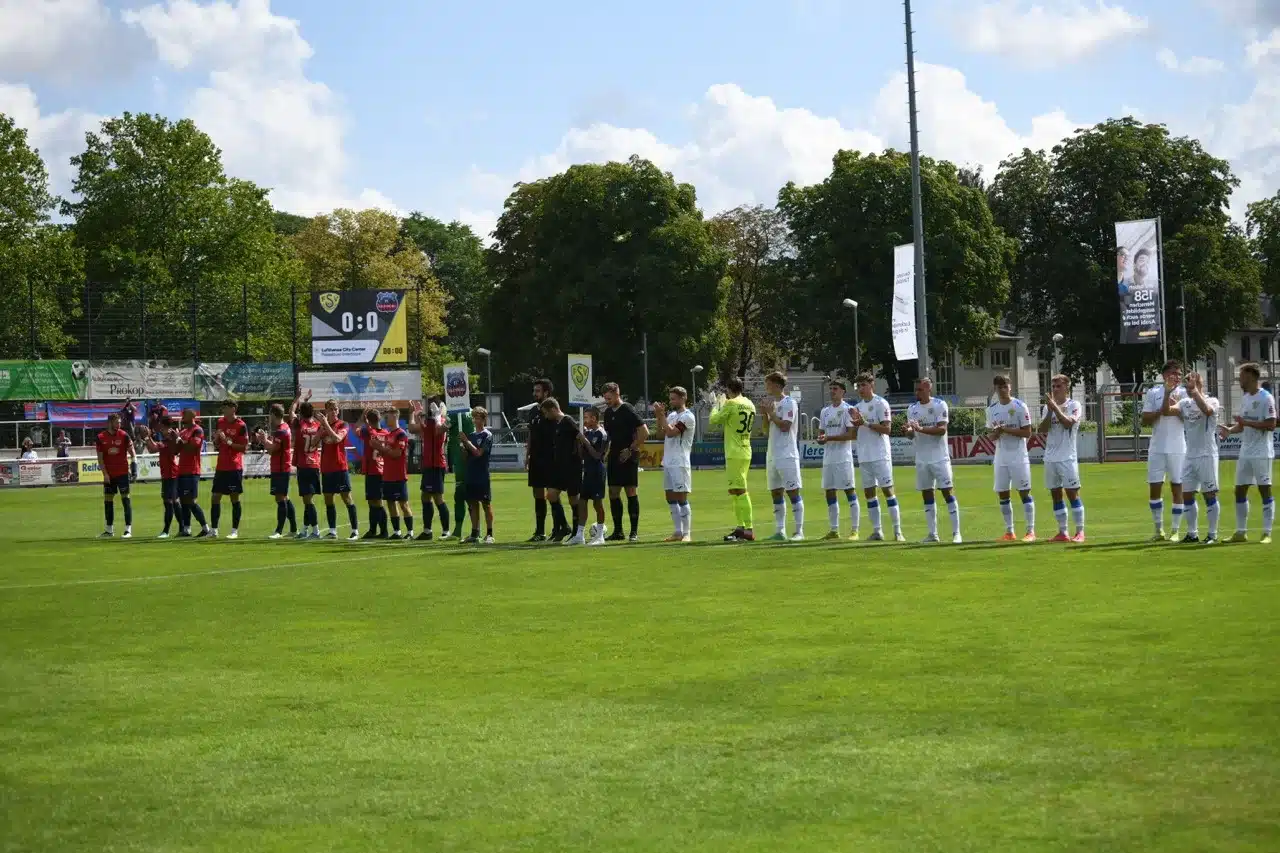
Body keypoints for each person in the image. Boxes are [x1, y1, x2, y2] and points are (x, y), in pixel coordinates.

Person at [1223, 362, 1276, 544]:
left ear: (1252, 377)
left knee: (1264, 490)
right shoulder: (1245, 398)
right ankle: (1241, 532)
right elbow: (1242, 424)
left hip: (1262, 452)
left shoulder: (1266, 398)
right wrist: (1230, 430)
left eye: (1242, 376)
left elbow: (1271, 425)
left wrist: (1247, 423)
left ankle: (1267, 533)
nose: (1239, 379)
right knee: (1239, 490)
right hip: (1245, 451)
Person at [906, 377, 960, 544]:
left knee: (947, 493)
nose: (917, 393)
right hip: (921, 459)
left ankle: (956, 533)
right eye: (916, 390)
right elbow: (911, 435)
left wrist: (920, 428)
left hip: (940, 458)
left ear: (929, 388)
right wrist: (908, 431)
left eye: (920, 389)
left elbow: (941, 430)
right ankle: (932, 534)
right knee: (927, 495)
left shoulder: (939, 405)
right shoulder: (912, 408)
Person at [851, 372, 902, 542]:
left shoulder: (881, 403)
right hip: (864, 456)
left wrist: (864, 423)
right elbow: (855, 432)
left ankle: (897, 531)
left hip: (880, 455)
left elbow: (887, 429)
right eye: (858, 386)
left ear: (872, 385)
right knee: (869, 494)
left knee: (888, 491)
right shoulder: (857, 407)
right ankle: (877, 531)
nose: (861, 389)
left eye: (863, 385)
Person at [1141, 359, 1188, 541]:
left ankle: (1175, 530)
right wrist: (1162, 408)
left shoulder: (1185, 393)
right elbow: (1145, 418)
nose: (1176, 377)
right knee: (1155, 487)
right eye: (1173, 373)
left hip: (1178, 447)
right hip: (1157, 447)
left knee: (1177, 487)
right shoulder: (1153, 392)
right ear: (1164, 375)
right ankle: (1158, 530)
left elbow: (1183, 415)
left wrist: (1165, 408)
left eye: (1178, 373)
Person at [987, 375, 1036, 542]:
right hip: (1001, 457)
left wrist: (1006, 429)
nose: (1002, 390)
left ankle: (1030, 531)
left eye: (1004, 386)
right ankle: (1010, 532)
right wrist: (996, 432)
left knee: (1024, 492)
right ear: (995, 388)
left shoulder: (1020, 406)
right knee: (1002, 494)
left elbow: (1027, 432)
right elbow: (991, 436)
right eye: (998, 387)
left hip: (1018, 456)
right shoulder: (991, 409)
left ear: (1010, 386)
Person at [709, 376, 757, 542]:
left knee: (740, 490)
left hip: (734, 451)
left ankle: (748, 528)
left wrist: (716, 405)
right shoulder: (750, 404)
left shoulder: (731, 403)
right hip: (745, 449)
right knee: (735, 490)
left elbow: (714, 420)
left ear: (729, 389)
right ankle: (740, 527)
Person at [1038, 374, 1085, 543]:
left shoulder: (1074, 405)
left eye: (1058, 386)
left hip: (1067, 458)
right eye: (1053, 386)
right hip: (1050, 458)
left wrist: (1055, 409)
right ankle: (1062, 532)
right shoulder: (1047, 408)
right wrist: (1050, 410)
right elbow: (1042, 429)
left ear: (1067, 387)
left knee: (1073, 494)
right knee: (1056, 494)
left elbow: (1068, 423)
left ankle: (1080, 532)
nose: (1055, 389)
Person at [1177, 372, 1220, 544]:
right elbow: (1167, 410)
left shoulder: (1212, 401)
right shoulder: (1185, 403)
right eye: (1186, 383)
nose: (1188, 386)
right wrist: (1166, 394)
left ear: (1199, 384)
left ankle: (1212, 534)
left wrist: (1195, 392)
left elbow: (1208, 411)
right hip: (1190, 455)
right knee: (1187, 494)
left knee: (1209, 494)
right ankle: (1192, 533)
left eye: (1191, 382)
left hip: (1207, 454)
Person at [602, 382, 649, 542]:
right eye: (605, 398)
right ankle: (618, 531)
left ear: (617, 393)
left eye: (609, 397)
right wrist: (606, 453)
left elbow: (644, 432)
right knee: (613, 492)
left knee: (630, 491)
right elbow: (609, 436)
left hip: (629, 456)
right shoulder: (607, 413)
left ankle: (633, 532)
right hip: (614, 456)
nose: (607, 401)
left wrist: (630, 449)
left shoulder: (628, 409)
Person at [760, 371, 804, 542]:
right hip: (772, 453)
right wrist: (765, 414)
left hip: (787, 454)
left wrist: (771, 414)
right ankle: (780, 531)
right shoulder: (772, 404)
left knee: (793, 491)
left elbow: (785, 426)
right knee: (776, 492)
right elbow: (765, 430)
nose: (766, 387)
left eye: (768, 384)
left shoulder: (789, 403)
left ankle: (799, 531)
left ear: (777, 385)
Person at [539, 397, 586, 545]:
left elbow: (580, 437)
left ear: (553, 409)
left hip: (572, 466)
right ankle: (564, 526)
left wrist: (588, 453)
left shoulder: (567, 421)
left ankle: (577, 532)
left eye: (546, 413)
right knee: (551, 494)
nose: (546, 416)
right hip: (559, 467)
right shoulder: (557, 423)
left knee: (574, 499)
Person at [817, 380, 859, 541]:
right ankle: (834, 530)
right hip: (828, 458)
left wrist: (829, 438)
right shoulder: (825, 411)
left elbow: (851, 435)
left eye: (835, 389)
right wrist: (821, 438)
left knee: (849, 491)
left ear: (843, 392)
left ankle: (855, 530)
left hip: (843, 458)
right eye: (831, 389)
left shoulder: (848, 410)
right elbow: (821, 433)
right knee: (829, 492)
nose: (832, 391)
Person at [654, 387, 697, 543]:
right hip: (668, 461)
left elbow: (672, 432)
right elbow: (660, 434)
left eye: (674, 399)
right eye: (670, 398)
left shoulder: (688, 417)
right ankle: (678, 532)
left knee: (681, 497)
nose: (671, 401)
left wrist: (661, 416)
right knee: (670, 497)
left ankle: (687, 533)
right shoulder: (671, 415)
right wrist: (659, 418)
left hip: (680, 461)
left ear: (683, 398)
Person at [525, 379, 565, 541]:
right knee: (537, 493)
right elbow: (530, 434)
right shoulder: (533, 411)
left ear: (546, 393)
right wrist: (527, 455)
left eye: (538, 391)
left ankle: (558, 528)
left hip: (550, 458)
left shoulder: (553, 412)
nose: (535, 394)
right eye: (534, 391)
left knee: (552, 493)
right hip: (535, 458)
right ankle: (540, 531)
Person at [409, 398, 451, 541]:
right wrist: (413, 413)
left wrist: (439, 415)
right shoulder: (429, 423)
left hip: (436, 464)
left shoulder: (442, 421)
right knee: (425, 496)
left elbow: (441, 429)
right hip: (428, 464)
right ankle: (427, 531)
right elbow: (412, 428)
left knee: (438, 497)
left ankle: (446, 531)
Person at [318, 399, 360, 540]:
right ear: (326, 411)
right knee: (328, 499)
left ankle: (355, 530)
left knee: (346, 498)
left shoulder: (343, 424)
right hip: (326, 467)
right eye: (330, 409)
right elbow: (312, 444)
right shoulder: (322, 426)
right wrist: (319, 432)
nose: (333, 412)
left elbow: (337, 439)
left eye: (335, 409)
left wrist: (325, 426)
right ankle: (332, 531)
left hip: (340, 466)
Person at [256, 404, 298, 540]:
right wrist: (266, 440)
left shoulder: (281, 431)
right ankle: (293, 529)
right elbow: (274, 447)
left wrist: (263, 441)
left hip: (280, 468)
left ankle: (279, 531)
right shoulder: (284, 428)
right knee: (284, 497)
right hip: (281, 467)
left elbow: (272, 450)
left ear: (273, 414)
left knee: (280, 498)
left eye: (270, 414)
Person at [208, 400, 249, 539]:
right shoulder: (220, 422)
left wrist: (228, 441)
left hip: (234, 466)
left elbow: (244, 447)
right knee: (215, 497)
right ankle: (214, 530)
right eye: (223, 408)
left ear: (233, 409)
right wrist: (216, 439)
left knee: (234, 498)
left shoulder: (241, 425)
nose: (223, 410)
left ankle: (234, 531)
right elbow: (217, 444)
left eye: (225, 408)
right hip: (221, 466)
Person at [372, 413, 414, 540]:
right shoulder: (389, 435)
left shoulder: (401, 434)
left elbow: (397, 454)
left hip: (398, 475)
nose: (386, 419)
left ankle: (410, 532)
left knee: (403, 504)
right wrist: (377, 449)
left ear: (395, 417)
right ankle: (397, 532)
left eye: (388, 417)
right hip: (387, 475)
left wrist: (380, 448)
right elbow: (386, 453)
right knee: (390, 503)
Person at [95, 413, 136, 539]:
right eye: (117, 422)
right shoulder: (100, 437)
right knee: (108, 501)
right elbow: (100, 459)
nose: (119, 424)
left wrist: (134, 468)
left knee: (126, 500)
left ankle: (128, 530)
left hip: (123, 474)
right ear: (110, 422)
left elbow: (132, 453)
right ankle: (109, 530)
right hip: (109, 476)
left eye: (120, 422)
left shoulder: (124, 435)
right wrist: (105, 474)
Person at [289, 394, 323, 539]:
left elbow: (291, 411)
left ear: (301, 413)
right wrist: (306, 402)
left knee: (308, 500)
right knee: (307, 499)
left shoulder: (299, 424)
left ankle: (316, 531)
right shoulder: (317, 426)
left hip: (304, 464)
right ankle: (304, 529)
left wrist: (297, 399)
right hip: (314, 463)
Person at [460, 406, 495, 544]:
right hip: (471, 473)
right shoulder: (471, 435)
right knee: (472, 503)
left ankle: (490, 533)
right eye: (474, 417)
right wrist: (463, 446)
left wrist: (467, 442)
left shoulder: (487, 435)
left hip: (482, 474)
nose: (475, 420)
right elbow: (466, 457)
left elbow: (479, 453)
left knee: (486, 504)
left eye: (478, 417)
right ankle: (475, 533)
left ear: (484, 419)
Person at [175, 408, 211, 537]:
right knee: (183, 501)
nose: (182, 416)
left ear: (192, 416)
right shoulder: (184, 432)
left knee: (190, 501)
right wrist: (174, 439)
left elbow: (193, 447)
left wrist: (180, 441)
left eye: (184, 414)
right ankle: (187, 528)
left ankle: (205, 527)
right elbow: (176, 450)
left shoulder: (197, 430)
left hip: (192, 470)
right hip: (182, 469)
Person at [145, 415, 180, 538]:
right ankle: (184, 528)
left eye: (161, 427)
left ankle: (166, 530)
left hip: (171, 474)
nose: (160, 429)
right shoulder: (170, 439)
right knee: (174, 502)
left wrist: (147, 436)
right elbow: (152, 449)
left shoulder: (170, 440)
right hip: (169, 474)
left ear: (165, 426)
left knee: (169, 502)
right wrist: (147, 438)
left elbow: (153, 448)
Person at [357, 409, 389, 539]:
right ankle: (375, 530)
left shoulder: (367, 432)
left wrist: (362, 418)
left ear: (368, 420)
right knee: (374, 501)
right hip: (383, 469)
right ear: (379, 418)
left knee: (375, 502)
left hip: (372, 470)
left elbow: (357, 429)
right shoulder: (386, 433)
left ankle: (381, 531)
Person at [580, 406, 610, 545]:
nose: (584, 421)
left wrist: (584, 441)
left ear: (594, 418)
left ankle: (599, 536)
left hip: (597, 470)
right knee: (583, 500)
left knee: (597, 503)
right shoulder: (588, 432)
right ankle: (579, 534)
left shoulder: (601, 434)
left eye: (586, 418)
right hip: (587, 470)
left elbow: (598, 456)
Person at [446, 404, 476, 540]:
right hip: (468, 457)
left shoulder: (455, 413)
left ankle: (461, 530)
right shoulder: (470, 412)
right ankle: (475, 530)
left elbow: (440, 429)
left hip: (461, 457)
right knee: (469, 495)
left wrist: (436, 417)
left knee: (462, 494)